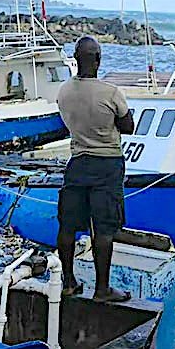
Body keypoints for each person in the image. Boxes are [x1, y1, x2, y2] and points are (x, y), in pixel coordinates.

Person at [55, 36, 134, 302]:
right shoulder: (110, 92)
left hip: (77, 162)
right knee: (103, 229)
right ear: (98, 59)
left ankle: (68, 282)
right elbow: (128, 126)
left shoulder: (64, 92)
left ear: (76, 59)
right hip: (107, 163)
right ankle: (102, 289)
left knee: (67, 226)